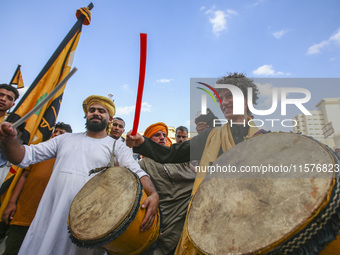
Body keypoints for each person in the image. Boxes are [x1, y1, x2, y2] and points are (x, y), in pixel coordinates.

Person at [0, 95, 159, 255]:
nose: (96, 113)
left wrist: (152, 193)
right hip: (50, 216)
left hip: (87, 224)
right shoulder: (64, 139)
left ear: (109, 119)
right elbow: (24, 156)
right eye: (92, 110)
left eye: (101, 111)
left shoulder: (116, 147)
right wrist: (9, 140)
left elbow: (136, 172)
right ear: (86, 115)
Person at [126, 73, 261, 255]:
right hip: (213, 218)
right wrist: (143, 142)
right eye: (221, 98)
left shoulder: (263, 138)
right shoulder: (210, 137)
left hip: (252, 218)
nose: (224, 102)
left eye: (229, 96)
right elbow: (172, 153)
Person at [1, 122, 72, 255]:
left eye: (61, 133)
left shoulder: (69, 158)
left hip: (47, 219)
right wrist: (11, 203)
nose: (56, 134)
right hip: (24, 213)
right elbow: (24, 176)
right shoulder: (40, 151)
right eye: (55, 131)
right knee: (12, 248)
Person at [138, 122, 195, 255]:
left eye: (164, 135)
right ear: (147, 140)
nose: (162, 137)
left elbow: (197, 177)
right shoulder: (142, 165)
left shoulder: (178, 157)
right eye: (157, 135)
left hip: (192, 207)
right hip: (169, 217)